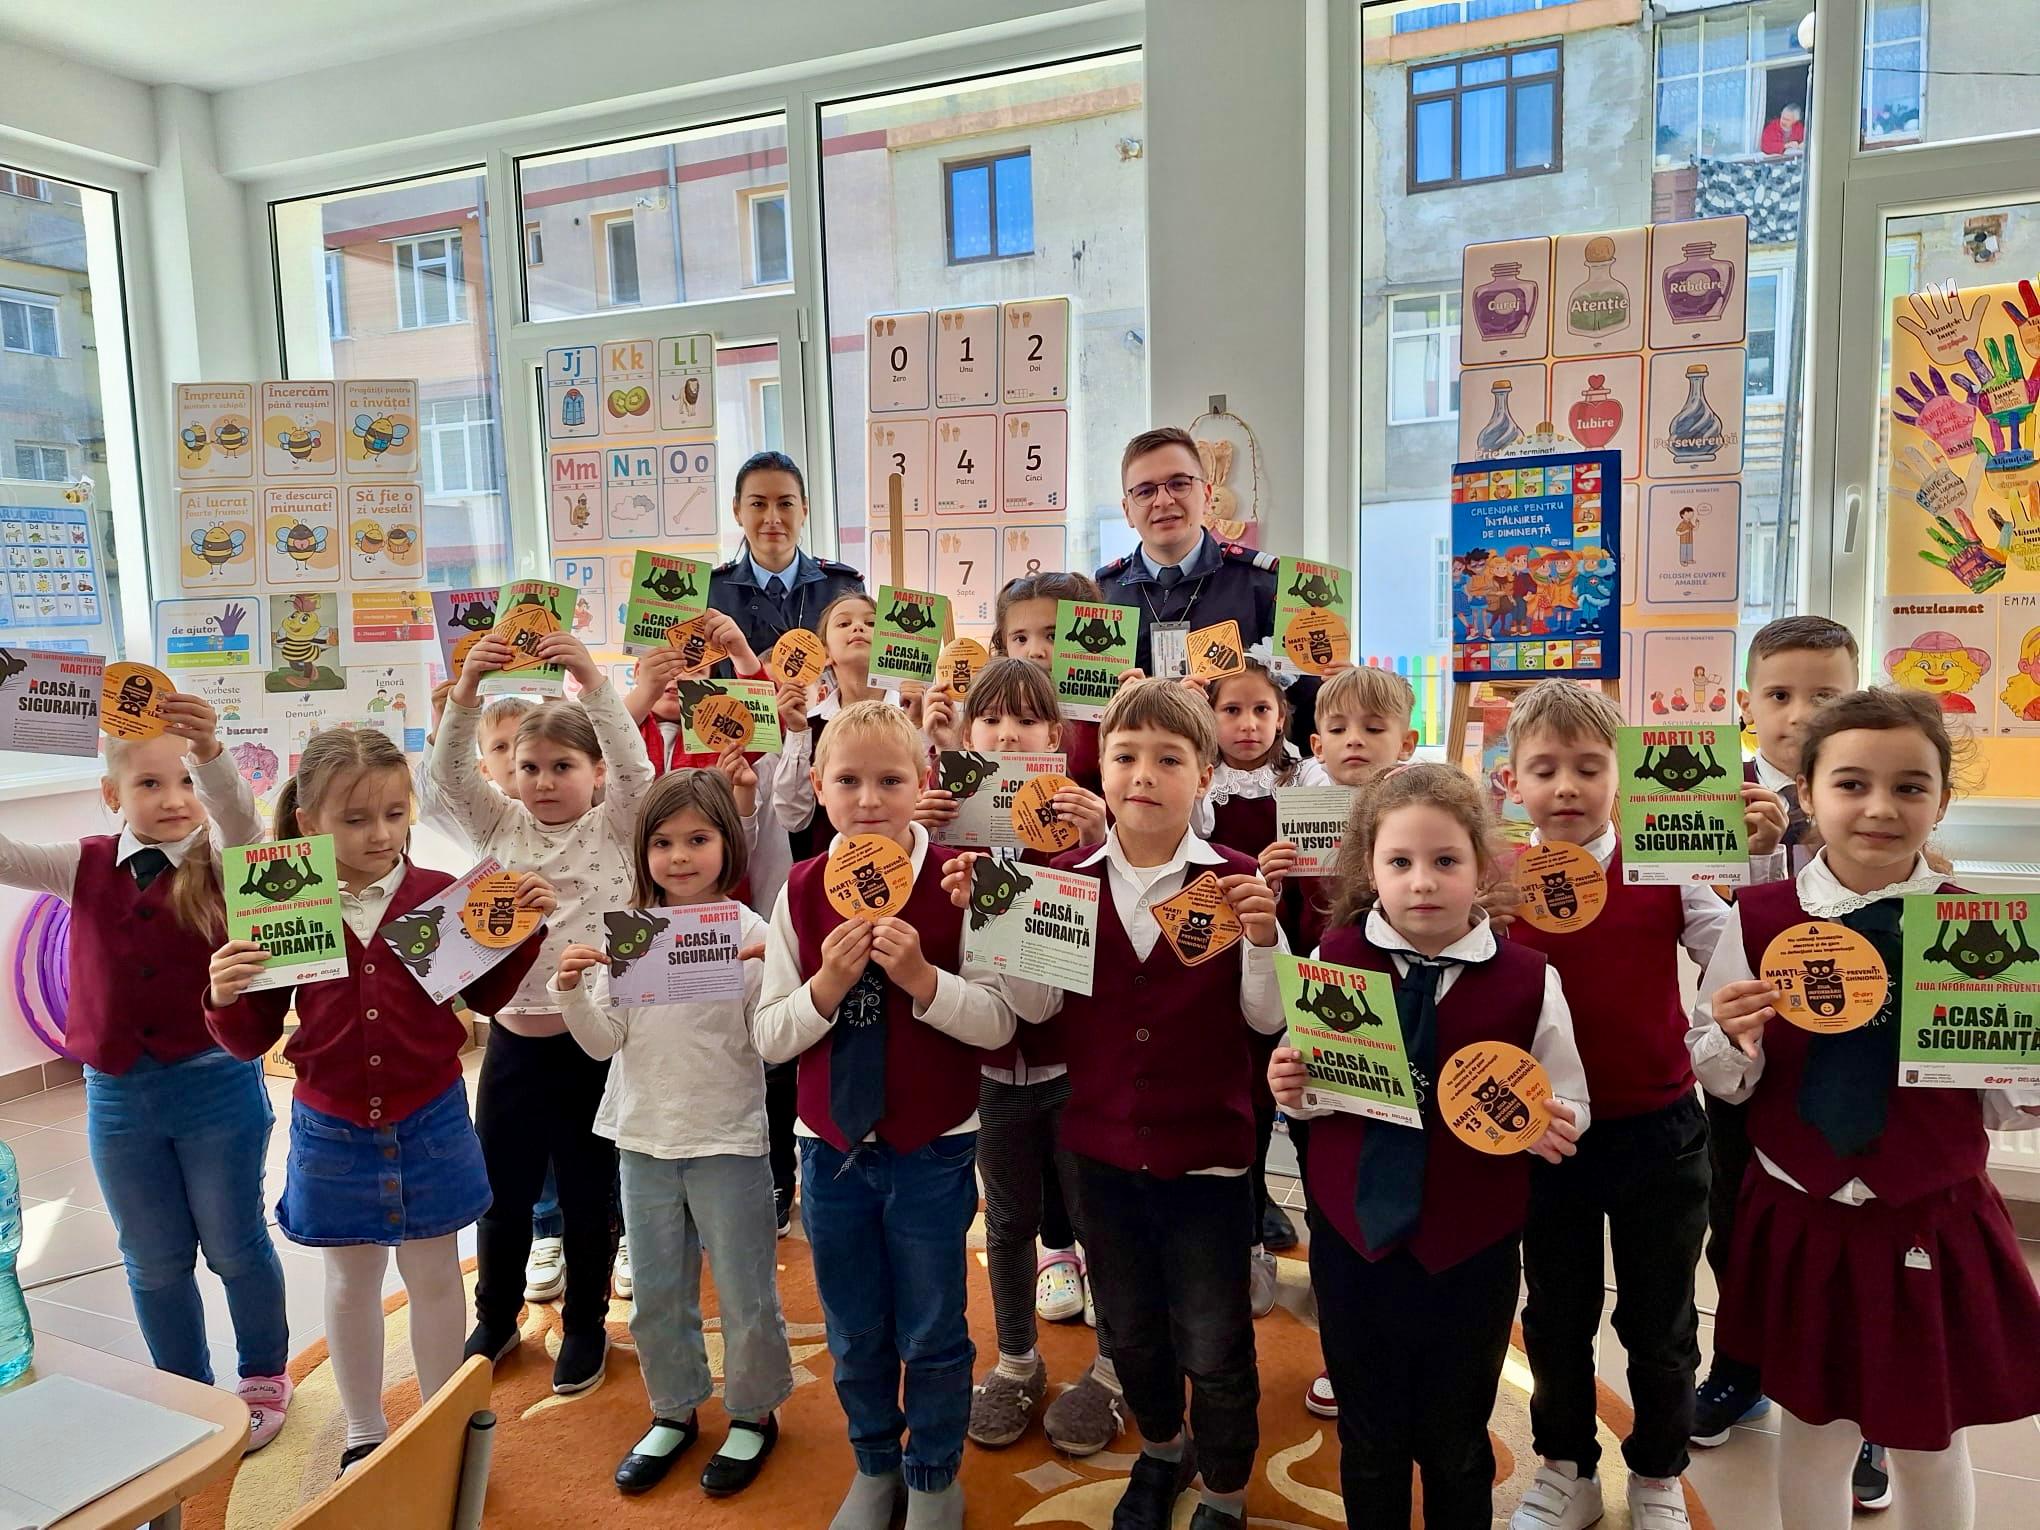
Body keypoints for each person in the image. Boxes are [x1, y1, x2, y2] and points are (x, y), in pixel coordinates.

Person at [1689, 688, 2040, 1530]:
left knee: (1930, 1435)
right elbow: (1722, 1076)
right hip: (1802, 1210)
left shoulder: (1976, 928)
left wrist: (2021, 1051)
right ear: (1807, 795)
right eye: (1851, 784)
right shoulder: (1758, 919)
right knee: (1813, 1427)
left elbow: (2008, 1109)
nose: (1880, 808)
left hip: (1929, 1212)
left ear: (1942, 802)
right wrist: (1732, 1040)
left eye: (1910, 787)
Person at [945, 679, 1289, 1530]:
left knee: (1214, 1341)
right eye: (1126, 756)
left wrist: (1263, 939)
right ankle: (1163, 1450)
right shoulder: (1063, 881)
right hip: (1099, 1155)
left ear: (1204, 774)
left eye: (1169, 759)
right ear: (1097, 769)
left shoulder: (1234, 880)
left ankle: (1225, 1488)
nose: (1143, 775)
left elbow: (1266, 1018)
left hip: (1208, 1159)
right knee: (1131, 1329)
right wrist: (997, 919)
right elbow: (1035, 1008)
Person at [203, 727, 554, 1476]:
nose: (381, 834)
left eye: (395, 814)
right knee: (350, 1281)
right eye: (356, 819)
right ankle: (364, 1430)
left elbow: (486, 997)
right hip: (331, 1127)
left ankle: (441, 1427)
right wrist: (224, 995)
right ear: (309, 822)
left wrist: (522, 931)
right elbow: (251, 1035)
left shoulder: (437, 895)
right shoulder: (281, 898)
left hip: (431, 1117)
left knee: (435, 1277)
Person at [1268, 763, 1587, 1528]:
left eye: (1445, 860)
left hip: (1470, 1247)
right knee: (1368, 1434)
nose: (1422, 882)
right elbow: (1313, 1090)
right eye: (1400, 862)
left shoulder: (1529, 980)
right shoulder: (1334, 960)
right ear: (1369, 867)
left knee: (1456, 1438)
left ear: (1481, 865)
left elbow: (1568, 1093)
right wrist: (1291, 1086)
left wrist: (1557, 1122)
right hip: (1354, 1240)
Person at [1495, 681, 1768, 1530]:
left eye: (1589, 768)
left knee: (1660, 1318)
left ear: (1624, 777)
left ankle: (1656, 1470)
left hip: (1661, 1129)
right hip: (1548, 1135)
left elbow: (1732, 959)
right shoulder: (1498, 877)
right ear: (1512, 780)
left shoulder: (1665, 867)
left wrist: (1748, 868)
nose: (1566, 787)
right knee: (1555, 1313)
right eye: (1545, 769)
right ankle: (1566, 1467)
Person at [755, 700, 1023, 1530]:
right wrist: (826, 986)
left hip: (933, 1145)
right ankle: (875, 1464)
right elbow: (769, 1036)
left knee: (935, 1325)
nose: (868, 799)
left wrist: (924, 981)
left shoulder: (964, 881)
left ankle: (934, 1471)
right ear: (817, 787)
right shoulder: (800, 891)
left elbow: (999, 1023)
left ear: (923, 782)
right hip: (828, 1147)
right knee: (852, 1326)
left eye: (890, 780)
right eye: (848, 781)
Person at [0, 695, 292, 1449]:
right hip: (119, 1096)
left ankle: (264, 1372)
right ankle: (183, 1387)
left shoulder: (228, 862)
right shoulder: (83, 865)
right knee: (154, 1260)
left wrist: (212, 755)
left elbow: (242, 822)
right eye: (150, 783)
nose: (173, 799)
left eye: (186, 781)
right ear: (112, 794)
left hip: (216, 1083)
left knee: (234, 1246)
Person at [553, 769, 792, 1499]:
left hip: (728, 1139)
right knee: (656, 1293)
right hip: (643, 1137)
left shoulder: (751, 933)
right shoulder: (629, 933)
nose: (680, 856)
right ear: (642, 851)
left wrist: (773, 973)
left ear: (728, 844)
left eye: (697, 839)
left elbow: (771, 1041)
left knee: (747, 1292)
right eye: (662, 842)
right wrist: (570, 991)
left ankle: (754, 1412)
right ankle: (673, 1409)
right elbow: (604, 1042)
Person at [431, 629, 654, 1395]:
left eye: (563, 767)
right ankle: (496, 1318)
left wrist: (591, 678)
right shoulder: (499, 825)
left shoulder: (616, 823)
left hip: (593, 1046)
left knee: (591, 1198)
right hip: (513, 1046)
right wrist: (466, 692)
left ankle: (587, 1324)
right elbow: (449, 776)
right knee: (502, 1194)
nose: (545, 781)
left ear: (597, 774)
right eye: (529, 767)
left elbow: (637, 766)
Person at [916, 658, 1120, 1459]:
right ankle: (1016, 1360)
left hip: (1078, 1071)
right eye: (992, 721)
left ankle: (1114, 1367)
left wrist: (1098, 838)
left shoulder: (1077, 833)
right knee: (1005, 1222)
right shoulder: (944, 834)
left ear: (1056, 737)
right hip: (993, 1072)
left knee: (1097, 1221)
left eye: (1027, 721)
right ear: (968, 734)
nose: (1007, 736)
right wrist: (918, 838)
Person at [1695, 617, 1856, 1440]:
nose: (1799, 714)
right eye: (1780, 694)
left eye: (1825, 695)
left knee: (1853, 1226)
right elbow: (1700, 923)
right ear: (1745, 704)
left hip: (1851, 1044)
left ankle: (1860, 1400)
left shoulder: (1871, 793)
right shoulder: (1707, 791)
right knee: (1737, 1218)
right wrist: (1747, 857)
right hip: (1746, 1036)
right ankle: (1741, 1365)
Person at [1254, 659, 1420, 1419]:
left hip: (1411, 1019)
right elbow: (1284, 932)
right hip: (1325, 1015)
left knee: (1404, 1174)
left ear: (1405, 742)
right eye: (1339, 728)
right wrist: (1274, 881)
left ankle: (1405, 1326)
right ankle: (1341, 1330)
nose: (1356, 741)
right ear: (1315, 741)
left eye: (1373, 728)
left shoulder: (1421, 811)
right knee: (1327, 1172)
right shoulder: (1300, 810)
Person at [1189, 657, 1307, 1298]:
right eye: (1231, 710)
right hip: (1217, 950)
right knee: (1232, 1076)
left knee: (1273, 1082)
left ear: (1281, 716)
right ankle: (1243, 1204)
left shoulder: (1304, 781)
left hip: (1288, 945)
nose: (1248, 724)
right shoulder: (1201, 788)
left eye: (1261, 710)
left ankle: (1259, 1202)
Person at [1096, 428, 1318, 745]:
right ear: (1127, 510)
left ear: (1207, 495)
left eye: (1179, 484)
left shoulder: (1266, 586)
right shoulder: (1101, 596)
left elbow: (1306, 710)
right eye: (1145, 491)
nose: (1163, 500)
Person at [707, 450, 865, 661]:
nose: (772, 518)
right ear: (737, 510)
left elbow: (863, 668)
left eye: (785, 504)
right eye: (758, 504)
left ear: (804, 509)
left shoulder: (843, 587)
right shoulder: (711, 592)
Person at [981, 571, 1107, 792]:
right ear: (1003, 644)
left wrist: (1133, 713)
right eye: (1020, 639)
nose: (1035, 652)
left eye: (1053, 636)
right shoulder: (987, 709)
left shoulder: (1104, 716)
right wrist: (944, 744)